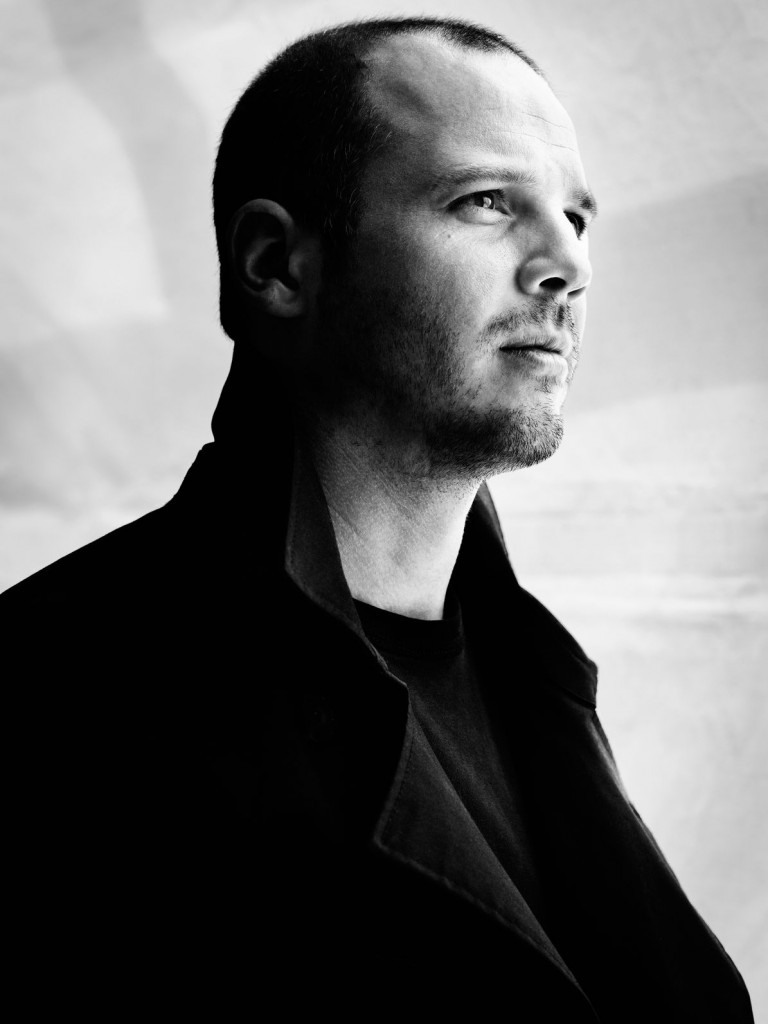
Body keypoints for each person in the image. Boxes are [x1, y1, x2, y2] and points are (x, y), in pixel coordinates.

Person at [3, 16, 753, 1021]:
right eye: (486, 202)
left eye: (576, 216)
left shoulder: (536, 680)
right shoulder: (59, 694)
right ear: (277, 264)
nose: (566, 265)